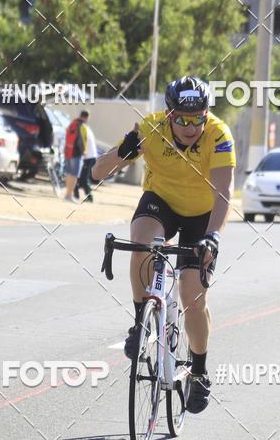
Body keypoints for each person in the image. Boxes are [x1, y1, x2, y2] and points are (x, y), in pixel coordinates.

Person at [91, 76, 235, 414]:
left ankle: (198, 372)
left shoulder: (219, 135)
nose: (190, 126)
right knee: (141, 242)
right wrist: (123, 150)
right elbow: (97, 172)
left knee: (191, 295)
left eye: (198, 118)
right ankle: (142, 320)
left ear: (206, 114)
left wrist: (213, 236)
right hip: (162, 204)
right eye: (182, 119)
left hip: (202, 214)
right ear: (169, 115)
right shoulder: (151, 129)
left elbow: (223, 193)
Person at [63, 110, 89, 202]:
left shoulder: (72, 124)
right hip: (76, 153)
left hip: (68, 152)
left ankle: (67, 194)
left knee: (68, 173)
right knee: (74, 175)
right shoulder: (83, 126)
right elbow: (83, 141)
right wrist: (84, 152)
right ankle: (69, 196)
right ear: (86, 117)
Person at [74, 114, 98, 202]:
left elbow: (82, 142)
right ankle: (76, 195)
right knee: (78, 178)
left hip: (88, 157)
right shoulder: (85, 127)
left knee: (83, 178)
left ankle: (89, 197)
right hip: (88, 156)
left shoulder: (82, 127)